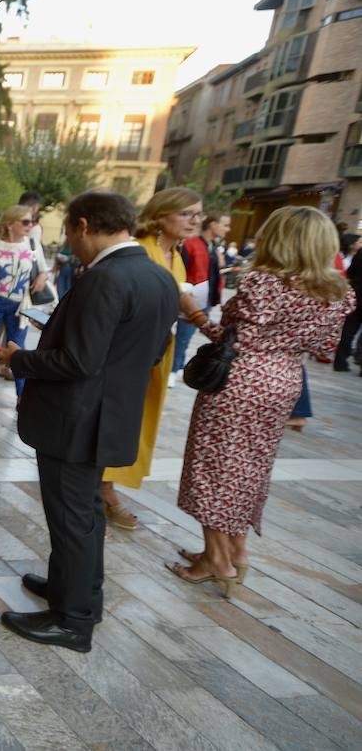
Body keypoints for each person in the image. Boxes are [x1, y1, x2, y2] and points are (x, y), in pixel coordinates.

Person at [0, 190, 178, 652]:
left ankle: (72, 621)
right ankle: (78, 594)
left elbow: (77, 360)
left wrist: (20, 359)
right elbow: (148, 352)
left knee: (71, 519)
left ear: (82, 225)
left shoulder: (105, 278)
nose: (70, 245)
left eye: (70, 234)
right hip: (110, 416)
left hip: (76, 420)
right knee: (87, 515)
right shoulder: (159, 276)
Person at [171, 206, 353, 594]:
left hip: (241, 380)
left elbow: (237, 340)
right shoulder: (337, 291)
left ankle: (218, 562)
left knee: (216, 468)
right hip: (285, 380)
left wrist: (199, 318)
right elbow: (325, 346)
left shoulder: (264, 282)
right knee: (248, 469)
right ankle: (234, 553)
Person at [101, 187, 203, 530]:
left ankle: (107, 484)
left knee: (139, 422)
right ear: (161, 215)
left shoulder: (174, 253)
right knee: (123, 418)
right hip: (133, 350)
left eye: (198, 214)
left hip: (158, 348)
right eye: (187, 213)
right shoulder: (142, 251)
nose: (195, 220)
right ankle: (104, 489)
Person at [0, 205, 47, 398]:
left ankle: (22, 398)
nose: (30, 225)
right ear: (9, 224)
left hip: (19, 306)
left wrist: (41, 277)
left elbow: (43, 270)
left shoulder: (33, 245)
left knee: (18, 352)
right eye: (25, 222)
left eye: (31, 221)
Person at [170, 211, 230, 386]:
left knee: (186, 337)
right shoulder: (192, 244)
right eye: (225, 224)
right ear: (212, 224)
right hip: (192, 298)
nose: (227, 229)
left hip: (205, 298)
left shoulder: (212, 247)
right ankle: (174, 369)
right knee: (182, 335)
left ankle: (178, 366)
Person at [334, 233, 362, 373]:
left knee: (348, 331)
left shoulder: (361, 252)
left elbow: (350, 272)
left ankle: (340, 362)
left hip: (357, 295)